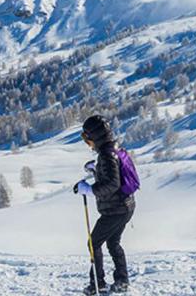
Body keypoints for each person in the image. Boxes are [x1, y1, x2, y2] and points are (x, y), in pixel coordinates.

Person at [74, 115, 136, 294]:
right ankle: (122, 281)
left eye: (88, 139)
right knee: (113, 243)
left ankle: (97, 283)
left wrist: (89, 190)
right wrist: (96, 169)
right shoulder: (113, 150)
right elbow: (111, 174)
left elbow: (112, 184)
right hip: (125, 206)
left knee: (94, 243)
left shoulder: (107, 155)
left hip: (116, 210)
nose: (88, 144)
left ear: (95, 136)